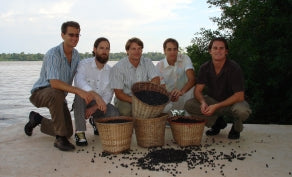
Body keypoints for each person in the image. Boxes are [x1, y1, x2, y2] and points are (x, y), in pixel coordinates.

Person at [24, 21, 94, 151]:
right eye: (71, 35)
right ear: (62, 35)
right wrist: (79, 92)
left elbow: (83, 74)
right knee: (56, 92)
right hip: (41, 93)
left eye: (77, 35)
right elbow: (54, 83)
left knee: (68, 132)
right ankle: (59, 140)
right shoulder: (53, 54)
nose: (74, 38)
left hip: (59, 96)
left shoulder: (76, 55)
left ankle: (37, 119)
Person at [184, 37, 251, 139]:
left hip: (232, 103)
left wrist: (216, 106)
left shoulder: (234, 68)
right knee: (189, 105)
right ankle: (216, 123)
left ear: (226, 51)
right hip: (213, 100)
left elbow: (239, 96)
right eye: (215, 48)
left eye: (221, 48)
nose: (218, 51)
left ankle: (236, 128)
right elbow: (197, 90)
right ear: (210, 51)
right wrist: (203, 102)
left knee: (242, 111)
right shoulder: (205, 67)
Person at [73, 37, 119, 146]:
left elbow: (109, 94)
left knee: (114, 113)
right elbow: (79, 82)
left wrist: (94, 108)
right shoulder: (84, 64)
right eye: (101, 48)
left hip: (99, 104)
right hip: (84, 100)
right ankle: (80, 132)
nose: (104, 51)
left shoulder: (110, 71)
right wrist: (95, 95)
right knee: (80, 95)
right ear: (94, 49)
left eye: (107, 49)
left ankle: (96, 122)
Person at [110, 37, 160, 116]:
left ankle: (145, 126)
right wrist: (137, 101)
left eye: (139, 48)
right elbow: (119, 94)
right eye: (133, 49)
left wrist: (147, 93)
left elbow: (156, 79)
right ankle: (126, 127)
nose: (137, 51)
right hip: (125, 98)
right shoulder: (118, 67)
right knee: (126, 110)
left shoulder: (147, 62)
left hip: (144, 96)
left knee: (157, 107)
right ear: (127, 51)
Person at [156, 38, 195, 115]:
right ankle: (178, 116)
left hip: (185, 93)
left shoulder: (185, 58)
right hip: (170, 97)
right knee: (163, 109)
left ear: (178, 50)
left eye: (175, 49)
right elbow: (162, 88)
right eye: (169, 49)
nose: (172, 52)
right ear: (164, 51)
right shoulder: (159, 66)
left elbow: (192, 79)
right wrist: (171, 95)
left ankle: (186, 115)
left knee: (193, 90)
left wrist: (181, 92)